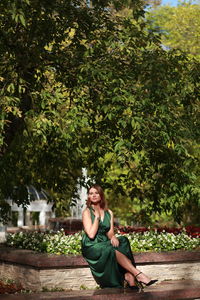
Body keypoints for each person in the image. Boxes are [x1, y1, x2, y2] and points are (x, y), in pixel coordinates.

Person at [81, 184, 158, 290]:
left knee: (123, 241)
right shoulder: (87, 212)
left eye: (96, 193)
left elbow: (110, 232)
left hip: (104, 241)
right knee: (110, 249)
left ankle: (129, 276)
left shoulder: (109, 212)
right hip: (92, 245)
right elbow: (91, 234)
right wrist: (97, 217)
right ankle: (138, 275)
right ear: (88, 197)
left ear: (101, 195)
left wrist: (113, 237)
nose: (93, 195)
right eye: (91, 193)